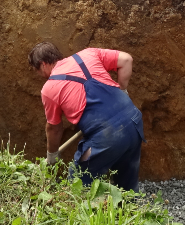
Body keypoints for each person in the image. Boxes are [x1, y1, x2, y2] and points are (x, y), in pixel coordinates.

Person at [28, 42, 145, 192]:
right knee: (126, 184)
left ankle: (81, 212)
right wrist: (123, 91)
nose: (39, 75)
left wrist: (52, 155)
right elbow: (126, 60)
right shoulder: (89, 54)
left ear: (42, 64)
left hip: (107, 138)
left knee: (77, 180)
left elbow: (54, 128)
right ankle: (131, 212)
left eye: (37, 70)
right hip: (133, 121)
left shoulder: (49, 89)